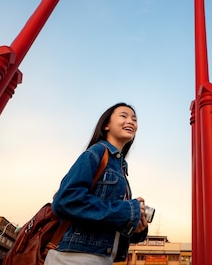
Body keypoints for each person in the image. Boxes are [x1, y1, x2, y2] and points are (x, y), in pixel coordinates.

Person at [45, 103, 149, 264]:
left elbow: (106, 219)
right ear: (106, 125)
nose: (131, 121)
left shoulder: (121, 168)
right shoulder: (96, 153)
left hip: (103, 259)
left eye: (134, 119)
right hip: (74, 257)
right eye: (124, 116)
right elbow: (65, 200)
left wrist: (135, 226)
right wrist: (128, 211)